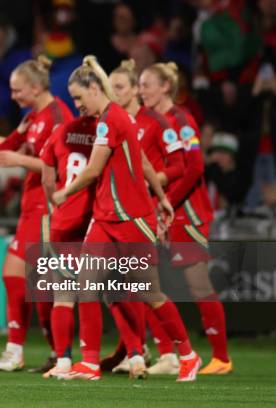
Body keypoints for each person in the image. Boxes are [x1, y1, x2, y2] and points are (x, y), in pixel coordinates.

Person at [52, 55, 201, 382]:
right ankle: (90, 363)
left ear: (94, 89)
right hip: (105, 217)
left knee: (149, 292)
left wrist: (64, 194)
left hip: (132, 218)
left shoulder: (109, 121)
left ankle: (188, 355)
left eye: (78, 97)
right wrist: (162, 199)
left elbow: (92, 171)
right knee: (86, 284)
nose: (76, 105)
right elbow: (145, 164)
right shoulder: (118, 118)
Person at [139, 62, 231, 375]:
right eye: (139, 85)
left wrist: (168, 205)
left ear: (165, 87)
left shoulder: (182, 120)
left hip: (186, 212)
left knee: (197, 284)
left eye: (147, 84)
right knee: (149, 282)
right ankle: (168, 355)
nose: (142, 91)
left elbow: (194, 168)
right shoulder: (151, 121)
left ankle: (221, 357)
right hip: (160, 211)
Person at [0, 56, 74, 373]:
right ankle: (36, 351)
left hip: (48, 208)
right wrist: (16, 140)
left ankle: (50, 352)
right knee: (23, 281)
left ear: (36, 88)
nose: (13, 96)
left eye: (17, 90)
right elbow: (4, 153)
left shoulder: (58, 116)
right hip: (31, 206)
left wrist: (20, 160)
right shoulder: (35, 116)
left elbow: (64, 167)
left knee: (35, 284)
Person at [101, 59, 186, 375]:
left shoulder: (157, 122)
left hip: (146, 210)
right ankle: (137, 349)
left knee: (146, 284)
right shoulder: (113, 120)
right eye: (111, 87)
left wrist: (152, 185)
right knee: (122, 285)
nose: (114, 92)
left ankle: (169, 353)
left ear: (136, 90)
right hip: (120, 212)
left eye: (120, 87)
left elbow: (180, 166)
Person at [39, 114, 97, 379]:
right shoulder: (107, 129)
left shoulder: (61, 130)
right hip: (97, 220)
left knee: (63, 296)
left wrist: (56, 202)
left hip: (63, 219)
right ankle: (134, 355)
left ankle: (63, 361)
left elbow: (46, 177)